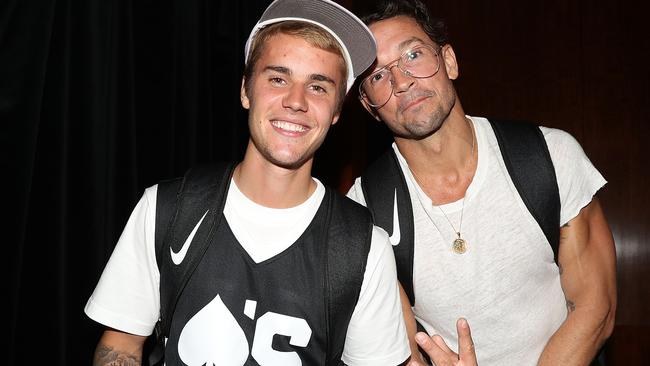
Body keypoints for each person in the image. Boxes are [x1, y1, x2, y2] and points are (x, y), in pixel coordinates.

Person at [84, 0, 412, 365]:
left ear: (336, 111)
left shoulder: (364, 248)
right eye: (278, 78)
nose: (296, 101)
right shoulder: (167, 209)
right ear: (245, 90)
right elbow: (121, 346)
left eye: (318, 87)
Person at [347, 1, 617, 365]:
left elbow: (595, 308)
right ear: (368, 105)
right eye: (378, 76)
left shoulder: (550, 157)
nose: (402, 81)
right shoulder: (364, 209)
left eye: (413, 54)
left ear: (450, 61)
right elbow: (400, 348)